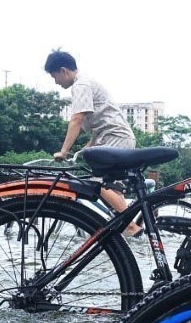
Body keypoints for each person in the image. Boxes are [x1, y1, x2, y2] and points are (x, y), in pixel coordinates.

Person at [43, 50, 142, 236]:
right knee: (113, 188)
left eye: (54, 76)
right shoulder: (86, 82)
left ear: (63, 70)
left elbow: (77, 119)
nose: (55, 81)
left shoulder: (81, 85)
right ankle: (128, 231)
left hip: (115, 137)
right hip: (114, 137)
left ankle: (131, 227)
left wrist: (63, 151)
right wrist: (90, 145)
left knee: (98, 184)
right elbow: (99, 121)